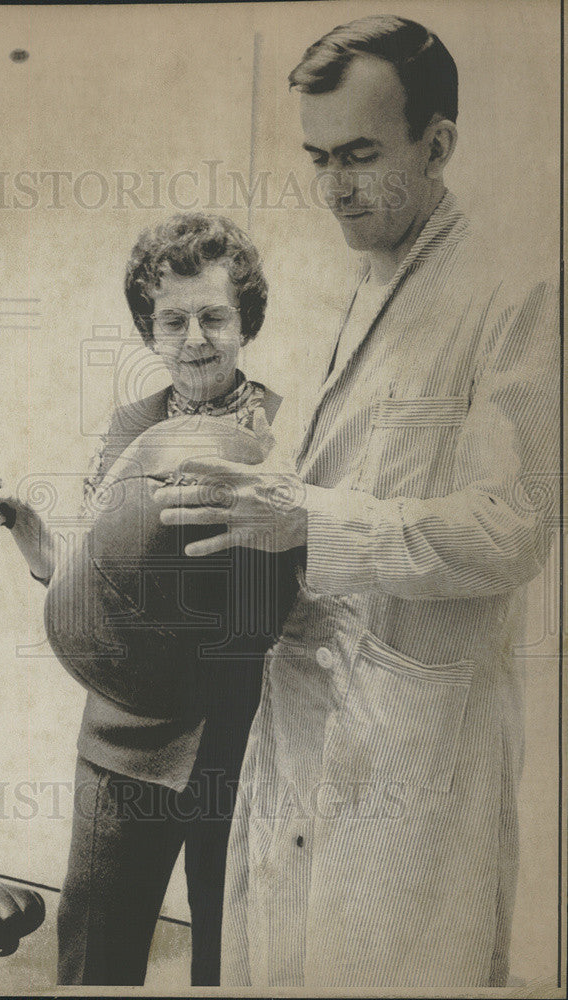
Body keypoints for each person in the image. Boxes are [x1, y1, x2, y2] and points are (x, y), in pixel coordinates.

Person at [152, 16, 559, 989]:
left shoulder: (515, 291)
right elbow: (313, 495)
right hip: (300, 718)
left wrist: (306, 523)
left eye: (362, 154)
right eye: (318, 157)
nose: (335, 185)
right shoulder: (356, 285)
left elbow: (510, 529)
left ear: (439, 143)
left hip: (415, 747)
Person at [0, 212, 285, 985]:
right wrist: (32, 535)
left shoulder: (286, 431)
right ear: (149, 330)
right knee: (94, 961)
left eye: (214, 317)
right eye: (172, 320)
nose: (195, 339)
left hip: (236, 740)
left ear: (246, 322)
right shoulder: (126, 430)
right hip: (121, 742)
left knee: (229, 960)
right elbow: (92, 583)